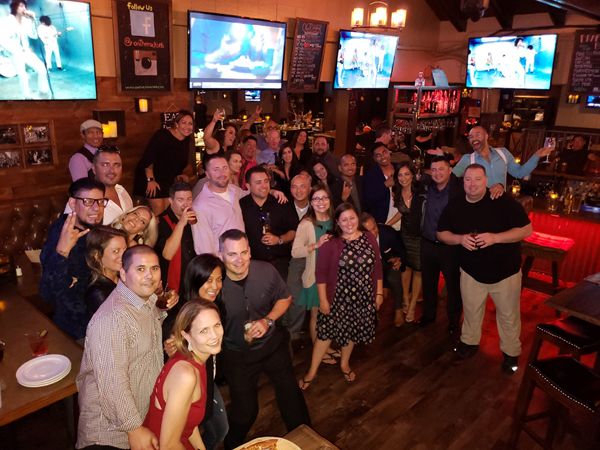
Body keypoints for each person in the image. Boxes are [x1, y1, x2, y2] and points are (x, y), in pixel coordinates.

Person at [76, 245, 178, 450]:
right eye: (140, 269)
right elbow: (114, 383)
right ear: (123, 273)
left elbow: (142, 338)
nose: (150, 275)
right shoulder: (112, 318)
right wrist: (134, 429)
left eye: (155, 268)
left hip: (139, 415)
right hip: (109, 433)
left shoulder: (146, 301)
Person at [218, 229, 310, 449]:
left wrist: (267, 321)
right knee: (245, 411)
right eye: (232, 254)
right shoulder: (213, 283)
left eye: (243, 252)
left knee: (291, 396)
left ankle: (307, 441)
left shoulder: (266, 270)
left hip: (272, 346)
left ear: (250, 252)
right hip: (237, 356)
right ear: (220, 255)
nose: (239, 260)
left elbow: (285, 298)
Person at [437, 164, 532, 375]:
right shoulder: (455, 205)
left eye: (478, 179)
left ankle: (511, 354)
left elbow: (527, 229)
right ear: (463, 182)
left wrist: (495, 238)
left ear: (486, 180)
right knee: (471, 311)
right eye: (468, 180)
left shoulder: (502, 201)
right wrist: (459, 239)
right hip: (471, 272)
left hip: (505, 272)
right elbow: (441, 233)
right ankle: (469, 343)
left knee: (508, 316)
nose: (472, 184)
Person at [299, 203, 383, 389]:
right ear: (337, 222)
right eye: (343, 219)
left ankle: (345, 363)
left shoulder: (369, 237)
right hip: (337, 296)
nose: (349, 223)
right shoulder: (330, 243)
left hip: (362, 296)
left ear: (357, 218)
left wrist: (378, 292)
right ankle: (312, 371)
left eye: (352, 218)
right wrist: (323, 300)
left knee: (352, 331)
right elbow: (320, 275)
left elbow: (377, 267)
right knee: (325, 334)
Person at [143, 300, 223, 450]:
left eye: (217, 325)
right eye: (203, 330)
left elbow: (188, 423)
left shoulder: (193, 358)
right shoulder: (186, 375)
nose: (214, 335)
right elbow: (168, 446)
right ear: (186, 335)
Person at [40, 178, 106, 340]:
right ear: (72, 203)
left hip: (99, 324)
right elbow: (47, 293)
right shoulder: (62, 234)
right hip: (77, 333)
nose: (96, 208)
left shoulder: (92, 230)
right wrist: (62, 251)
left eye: (100, 201)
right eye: (88, 201)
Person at [180, 254, 229, 450]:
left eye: (218, 280)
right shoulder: (182, 314)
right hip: (191, 386)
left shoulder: (217, 306)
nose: (215, 286)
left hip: (209, 379)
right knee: (208, 429)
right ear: (195, 279)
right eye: (209, 280)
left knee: (219, 429)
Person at [291, 184, 338, 360]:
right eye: (316, 198)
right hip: (315, 276)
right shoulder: (306, 223)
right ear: (311, 202)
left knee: (329, 313)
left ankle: (325, 345)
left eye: (324, 198)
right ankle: (320, 351)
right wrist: (316, 245)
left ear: (330, 200)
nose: (321, 202)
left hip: (334, 276)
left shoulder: (335, 220)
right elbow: (295, 252)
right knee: (316, 313)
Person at [419, 157, 464, 334]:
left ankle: (453, 321)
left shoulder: (459, 190)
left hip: (450, 246)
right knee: (428, 283)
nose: (437, 173)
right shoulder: (425, 187)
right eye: (434, 169)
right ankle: (429, 316)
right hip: (428, 243)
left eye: (441, 169)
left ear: (450, 170)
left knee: (453, 286)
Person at [452, 126, 552, 199]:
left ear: (486, 136)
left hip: (501, 204)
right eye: (471, 137)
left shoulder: (503, 153)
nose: (474, 139)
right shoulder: (468, 159)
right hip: (479, 206)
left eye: (477, 134)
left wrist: (537, 156)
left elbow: (519, 173)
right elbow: (451, 178)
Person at [240, 166, 298, 279]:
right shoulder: (241, 206)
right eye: (258, 182)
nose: (264, 186)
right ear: (248, 186)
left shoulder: (282, 202)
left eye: (266, 181)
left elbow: (294, 230)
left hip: (281, 264)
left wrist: (279, 239)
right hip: (252, 265)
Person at [133, 110, 195, 215]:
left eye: (190, 123)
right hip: (150, 178)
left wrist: (182, 175)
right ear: (176, 124)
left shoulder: (186, 140)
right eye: (183, 122)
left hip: (167, 180)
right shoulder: (162, 135)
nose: (187, 126)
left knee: (167, 212)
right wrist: (150, 180)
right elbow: (148, 159)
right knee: (159, 212)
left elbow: (177, 162)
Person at [386, 162, 424, 323]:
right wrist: (385, 226)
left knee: (419, 271)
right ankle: (406, 299)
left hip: (421, 236)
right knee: (405, 268)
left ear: (413, 175)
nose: (403, 178)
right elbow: (402, 212)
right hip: (405, 235)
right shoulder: (397, 191)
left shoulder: (421, 192)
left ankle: (413, 305)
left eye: (406, 174)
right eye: (400, 175)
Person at [360, 213, 406, 327]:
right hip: (372, 268)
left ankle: (398, 310)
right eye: (369, 231)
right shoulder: (358, 240)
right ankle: (371, 312)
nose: (374, 232)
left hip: (389, 263)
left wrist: (399, 260)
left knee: (394, 277)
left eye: (375, 227)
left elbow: (403, 251)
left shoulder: (388, 232)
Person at [283, 173, 313, 340]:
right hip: (290, 258)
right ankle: (291, 333)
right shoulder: (283, 206)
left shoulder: (318, 207)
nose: (298, 190)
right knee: (295, 296)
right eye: (294, 186)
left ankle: (297, 331)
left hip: (313, 257)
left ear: (309, 188)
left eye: (302, 186)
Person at [0, 1, 50, 99]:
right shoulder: (7, 21)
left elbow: (34, 36)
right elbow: (2, 39)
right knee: (23, 76)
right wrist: (15, 50)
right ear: (15, 7)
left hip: (26, 51)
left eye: (25, 6)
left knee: (42, 69)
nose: (24, 9)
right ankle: (27, 97)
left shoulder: (26, 21)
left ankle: (43, 92)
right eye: (21, 6)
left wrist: (32, 20)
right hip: (15, 52)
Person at [84, 225, 128, 319]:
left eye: (125, 250)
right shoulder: (98, 293)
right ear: (97, 255)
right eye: (116, 251)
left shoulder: (122, 277)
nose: (124, 256)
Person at [363, 144, 399, 229]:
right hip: (382, 222)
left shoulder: (400, 169)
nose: (383, 157)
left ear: (389, 152)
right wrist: (385, 185)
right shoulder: (370, 175)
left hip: (402, 219)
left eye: (384, 152)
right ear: (374, 159)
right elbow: (369, 200)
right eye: (378, 155)